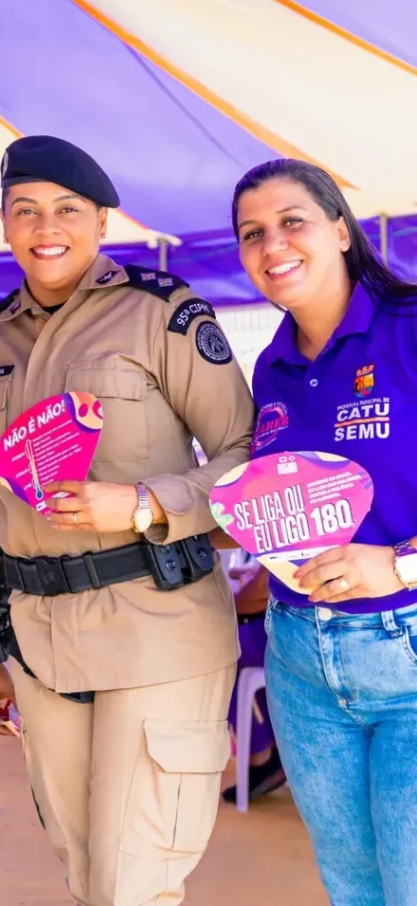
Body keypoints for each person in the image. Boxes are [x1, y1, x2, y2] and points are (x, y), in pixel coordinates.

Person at [0, 135, 255, 906]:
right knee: (89, 876)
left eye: (67, 210)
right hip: (41, 645)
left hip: (157, 625)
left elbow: (245, 456)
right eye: (25, 209)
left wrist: (146, 501)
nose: (45, 227)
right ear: (4, 222)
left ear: (101, 223)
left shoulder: (161, 312)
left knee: (134, 883)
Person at [233, 158, 417, 906]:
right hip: (300, 664)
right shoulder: (271, 370)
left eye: (292, 222)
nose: (272, 244)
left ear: (341, 230)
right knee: (353, 889)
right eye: (252, 233)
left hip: (407, 651)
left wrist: (399, 566)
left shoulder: (408, 328)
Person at [221, 556, 285, 804]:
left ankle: (261, 754)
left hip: (292, 636)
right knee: (230, 651)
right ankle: (270, 748)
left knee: (217, 652)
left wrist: (221, 608)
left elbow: (262, 590)